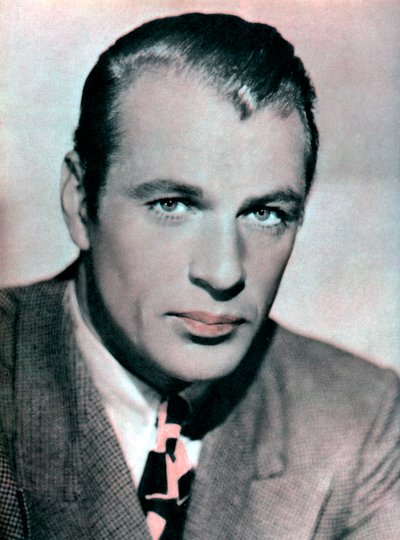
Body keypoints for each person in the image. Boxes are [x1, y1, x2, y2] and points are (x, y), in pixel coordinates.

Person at [1, 12, 399, 539]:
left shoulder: (361, 418)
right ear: (80, 203)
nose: (223, 272)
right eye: (172, 204)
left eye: (266, 214)